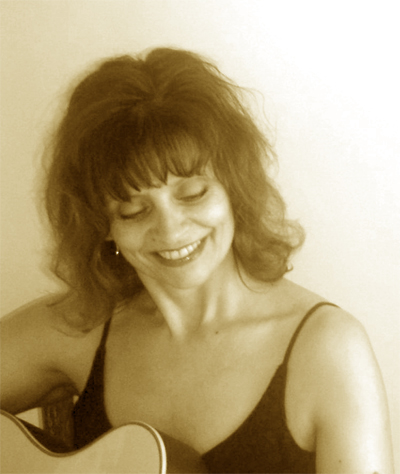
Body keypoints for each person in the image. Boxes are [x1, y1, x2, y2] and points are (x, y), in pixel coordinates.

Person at [0, 47, 394, 473]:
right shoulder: (83, 329)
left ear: (233, 187)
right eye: (133, 210)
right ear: (103, 225)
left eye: (192, 193)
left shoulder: (328, 350)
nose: (170, 231)